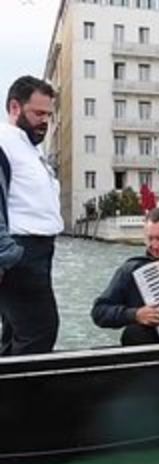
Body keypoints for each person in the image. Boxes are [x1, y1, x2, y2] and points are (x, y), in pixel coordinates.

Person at [0, 75, 63, 356]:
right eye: (38, 113)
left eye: (48, 114)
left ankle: (13, 397)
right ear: (15, 107)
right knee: (40, 330)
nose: (45, 121)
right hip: (20, 253)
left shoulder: (28, 149)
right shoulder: (5, 144)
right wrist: (9, 256)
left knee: (18, 333)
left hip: (33, 252)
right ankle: (22, 399)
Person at [91, 207, 159, 345]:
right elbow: (99, 312)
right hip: (152, 345)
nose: (154, 245)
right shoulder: (131, 269)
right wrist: (135, 314)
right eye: (150, 239)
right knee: (134, 333)